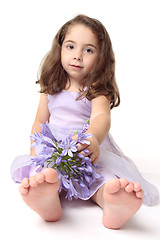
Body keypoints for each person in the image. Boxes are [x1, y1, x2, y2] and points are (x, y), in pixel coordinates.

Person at [11, 14, 159, 229]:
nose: (78, 56)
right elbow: (40, 121)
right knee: (46, 173)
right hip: (54, 148)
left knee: (99, 178)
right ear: (60, 49)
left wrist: (92, 140)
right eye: (71, 47)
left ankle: (110, 201)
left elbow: (101, 118)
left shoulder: (96, 90)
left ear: (101, 57)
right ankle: (48, 199)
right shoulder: (51, 85)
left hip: (84, 149)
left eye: (88, 50)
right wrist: (36, 151)